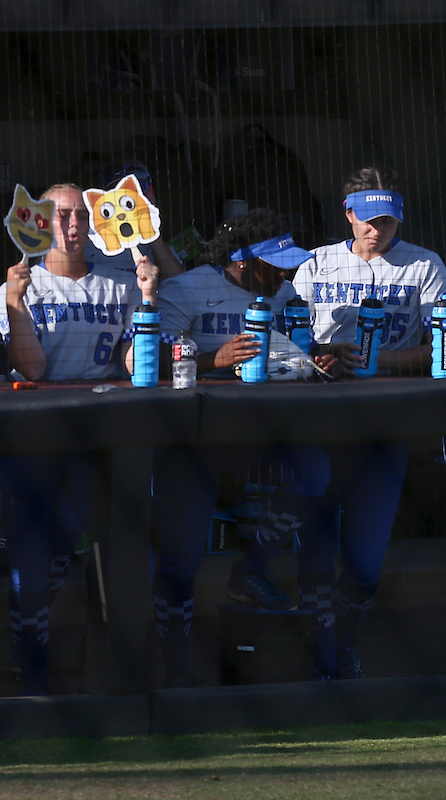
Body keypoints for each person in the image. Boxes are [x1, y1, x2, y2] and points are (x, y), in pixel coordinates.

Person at [152, 208, 332, 687]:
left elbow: (294, 348)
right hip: (191, 441)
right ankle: (172, 669)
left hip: (257, 434)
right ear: (243, 261)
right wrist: (213, 358)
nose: (286, 273)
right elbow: (144, 361)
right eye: (276, 264)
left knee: (311, 472)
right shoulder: (188, 287)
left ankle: (251, 567)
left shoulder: (285, 293)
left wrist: (316, 358)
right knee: (181, 560)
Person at [0, 182, 159, 693]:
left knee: (125, 557)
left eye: (81, 217)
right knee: (32, 569)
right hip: (38, 438)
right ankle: (34, 680)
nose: (71, 226)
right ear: (37, 221)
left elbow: (138, 366)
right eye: (59, 216)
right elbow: (34, 367)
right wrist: (18, 302)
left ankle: (113, 677)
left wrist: (149, 298)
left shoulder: (120, 284)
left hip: (102, 441)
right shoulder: (19, 286)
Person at [291, 166, 446, 678]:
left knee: (364, 560)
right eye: (367, 219)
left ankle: (345, 642)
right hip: (319, 418)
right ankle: (320, 653)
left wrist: (380, 361)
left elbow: (443, 347)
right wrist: (318, 356)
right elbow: (284, 336)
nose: (377, 230)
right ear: (348, 215)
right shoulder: (313, 264)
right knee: (314, 549)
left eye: (387, 221)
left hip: (387, 420)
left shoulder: (424, 266)